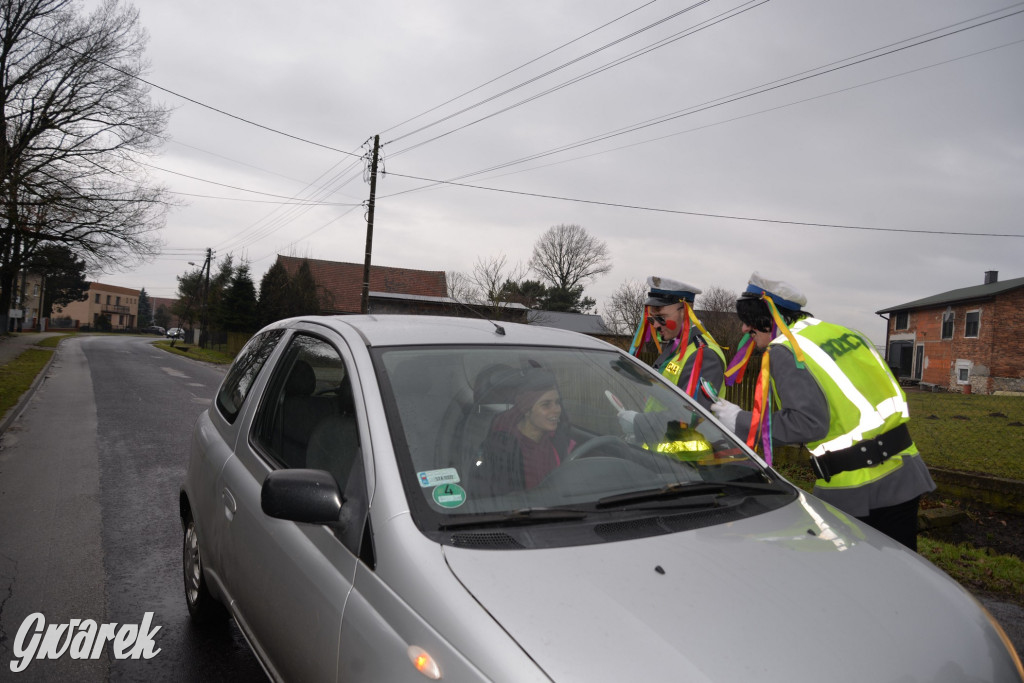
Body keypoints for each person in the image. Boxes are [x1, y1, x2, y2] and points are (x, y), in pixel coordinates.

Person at [710, 272, 935, 550]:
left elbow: (807, 424)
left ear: (767, 317)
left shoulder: (786, 349)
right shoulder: (845, 333)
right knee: (901, 568)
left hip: (858, 485)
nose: (744, 328)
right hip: (904, 470)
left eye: (748, 320)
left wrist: (739, 420)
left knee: (855, 577)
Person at [470, 368, 574, 495]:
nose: (556, 410)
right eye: (546, 405)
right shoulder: (500, 448)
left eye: (557, 403)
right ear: (526, 410)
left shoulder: (559, 440)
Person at [629, 276, 726, 410]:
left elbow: (690, 417)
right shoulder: (676, 345)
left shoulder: (704, 354)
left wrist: (637, 423)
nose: (655, 325)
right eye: (652, 319)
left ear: (685, 312)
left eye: (661, 317)